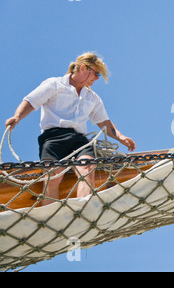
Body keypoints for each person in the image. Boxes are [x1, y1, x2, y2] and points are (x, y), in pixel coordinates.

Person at [5, 52, 136, 206]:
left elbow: (104, 122)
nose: (97, 78)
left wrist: (120, 137)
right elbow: (31, 101)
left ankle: (83, 210)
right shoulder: (54, 85)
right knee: (53, 175)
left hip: (79, 141)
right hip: (54, 138)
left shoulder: (92, 97)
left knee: (87, 168)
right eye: (96, 73)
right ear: (82, 68)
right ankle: (50, 216)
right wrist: (17, 117)